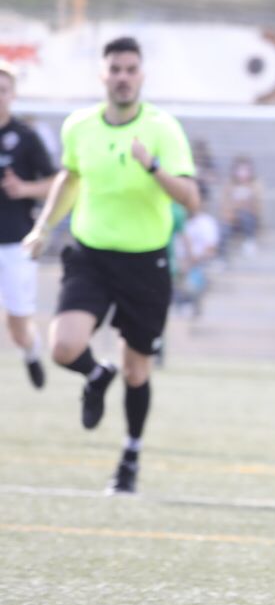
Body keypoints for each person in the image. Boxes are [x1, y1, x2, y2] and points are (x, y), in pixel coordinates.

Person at [22, 36, 200, 494]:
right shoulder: (79, 126)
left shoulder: (163, 128)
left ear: (141, 75)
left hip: (145, 262)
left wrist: (153, 167)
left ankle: (129, 459)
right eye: (115, 69)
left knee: (137, 370)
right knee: (63, 346)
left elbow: (192, 200)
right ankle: (96, 374)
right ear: (103, 75)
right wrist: (43, 227)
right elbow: (69, 176)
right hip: (90, 255)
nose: (122, 77)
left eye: (130, 69)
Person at [0, 64, 58, 387]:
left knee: (17, 327)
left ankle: (31, 351)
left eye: (3, 89)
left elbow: (55, 183)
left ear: (13, 95)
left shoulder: (25, 137)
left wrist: (24, 189)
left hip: (15, 243)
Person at [218, 156, 264, 258]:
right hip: (232, 220)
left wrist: (241, 206)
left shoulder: (255, 185)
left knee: (245, 215)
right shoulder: (229, 185)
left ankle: (250, 241)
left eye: (245, 170)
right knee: (223, 228)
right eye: (240, 170)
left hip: (249, 219)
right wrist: (236, 209)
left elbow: (258, 206)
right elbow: (224, 205)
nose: (242, 173)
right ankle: (221, 258)